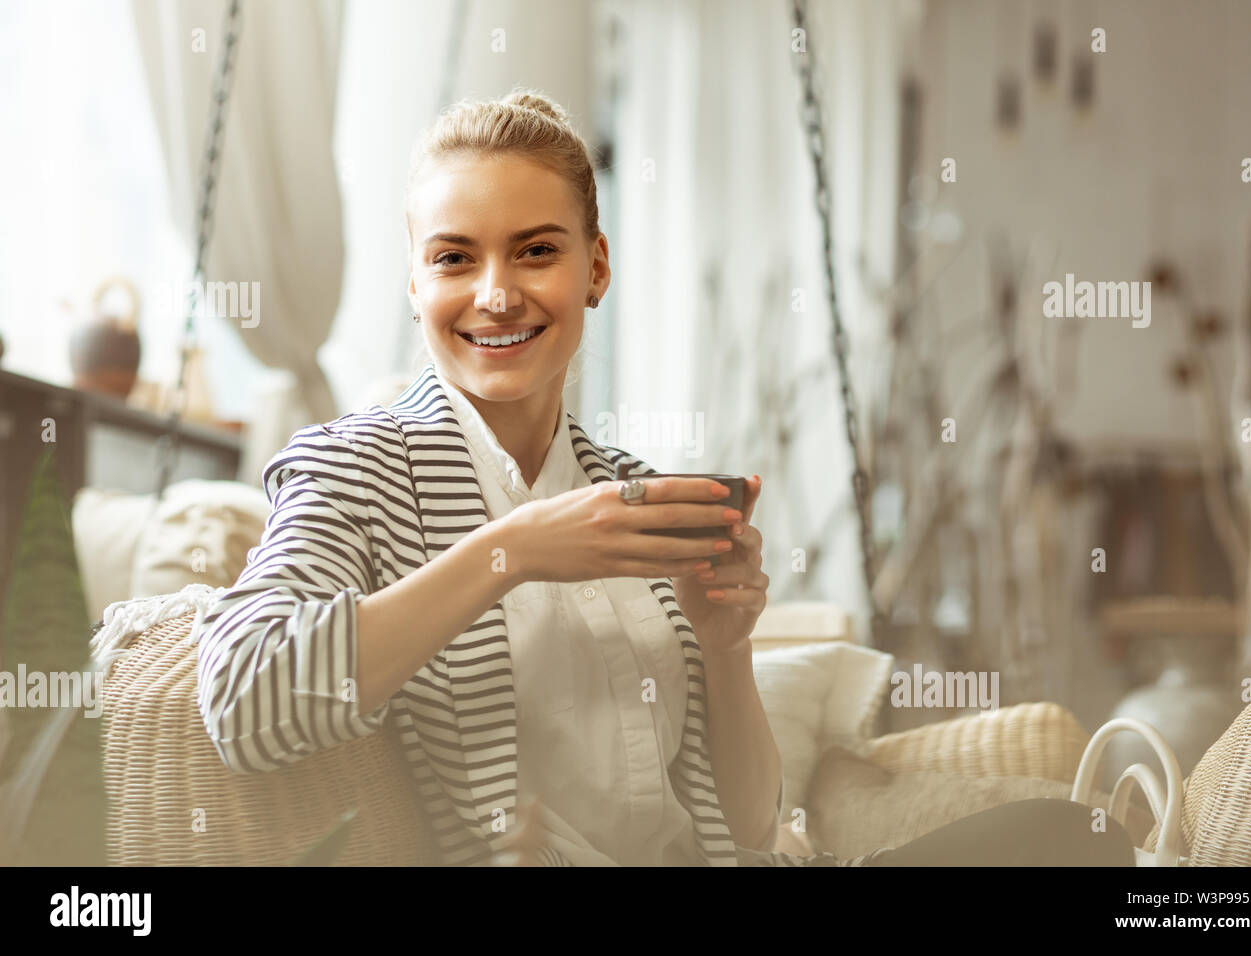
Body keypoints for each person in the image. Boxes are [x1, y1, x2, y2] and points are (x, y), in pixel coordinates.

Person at [193, 87, 1134, 867]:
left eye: (536, 250)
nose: (494, 293)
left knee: (1074, 836)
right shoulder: (353, 470)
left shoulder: (631, 494)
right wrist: (510, 553)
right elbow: (243, 698)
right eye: (453, 258)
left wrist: (725, 647)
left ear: (594, 268)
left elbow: (754, 825)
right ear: (414, 286)